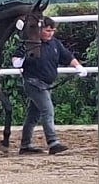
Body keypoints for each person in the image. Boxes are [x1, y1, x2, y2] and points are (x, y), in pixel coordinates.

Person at [11, 16, 88, 155]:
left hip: (46, 84)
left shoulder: (55, 43)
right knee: (48, 110)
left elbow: (67, 56)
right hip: (33, 83)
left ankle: (25, 145)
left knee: (32, 116)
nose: (50, 33)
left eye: (52, 30)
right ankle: (53, 143)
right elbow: (15, 58)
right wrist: (19, 61)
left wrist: (78, 67)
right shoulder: (30, 44)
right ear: (40, 30)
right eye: (47, 30)